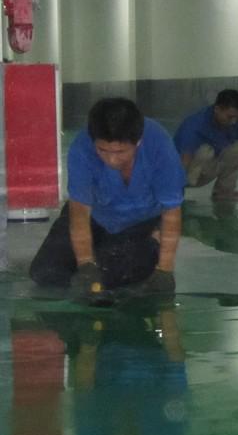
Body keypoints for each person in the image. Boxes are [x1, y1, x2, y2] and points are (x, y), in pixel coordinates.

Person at [29, 98, 183, 302]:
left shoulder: (160, 147)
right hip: (95, 215)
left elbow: (171, 211)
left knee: (111, 278)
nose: (111, 159)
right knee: (45, 272)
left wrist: (165, 269)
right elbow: (79, 210)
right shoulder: (82, 148)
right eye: (103, 150)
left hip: (140, 222)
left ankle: (151, 243)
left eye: (120, 152)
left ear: (138, 142)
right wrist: (85, 264)